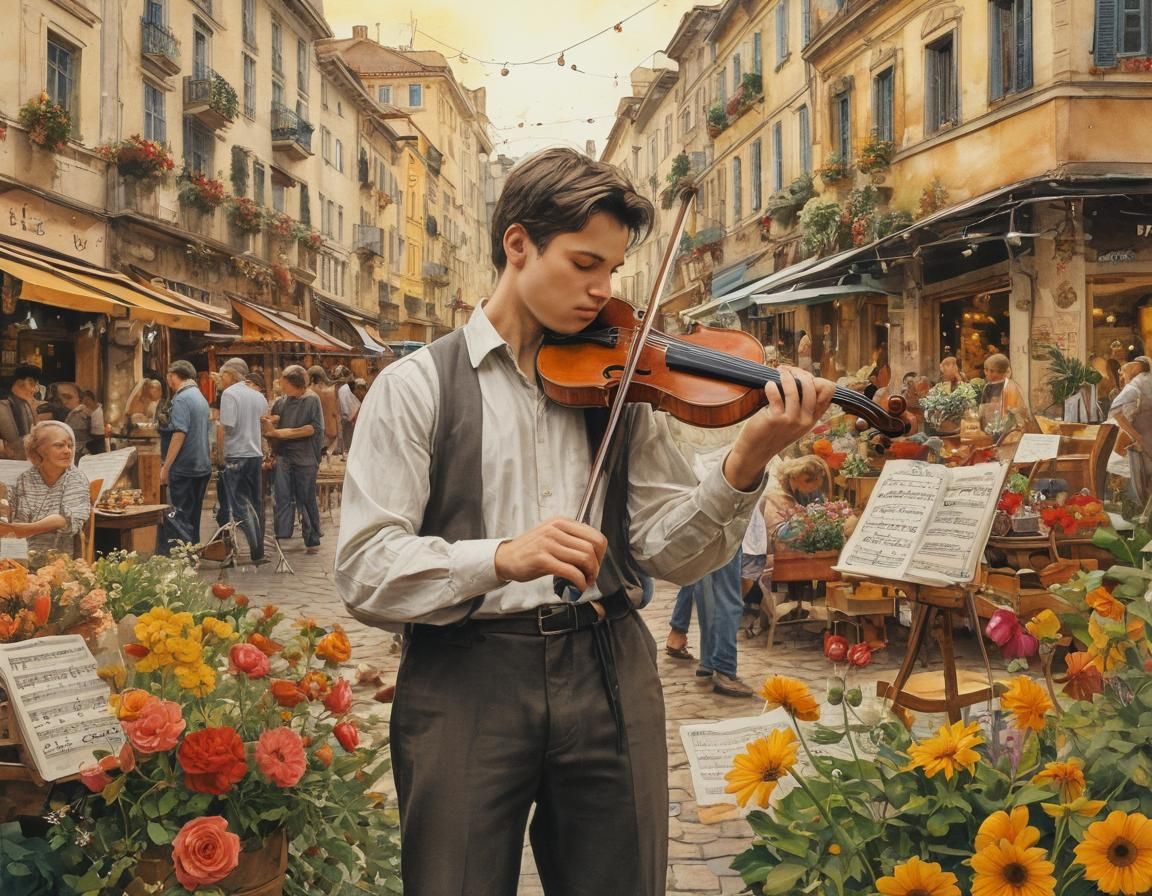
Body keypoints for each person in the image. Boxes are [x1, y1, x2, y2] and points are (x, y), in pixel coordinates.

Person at [335, 146, 834, 896]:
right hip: (465, 677)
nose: (602, 291)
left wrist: (745, 461)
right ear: (517, 245)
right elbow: (365, 568)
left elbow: (670, 552)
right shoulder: (414, 388)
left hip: (609, 668)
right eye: (583, 264)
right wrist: (500, 556)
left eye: (613, 271)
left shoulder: (625, 380)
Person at [2, 420, 91, 559]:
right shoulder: (26, 479)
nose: (67, 451)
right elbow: (17, 516)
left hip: (60, 560)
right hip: (22, 556)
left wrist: (22, 529)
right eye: (59, 445)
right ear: (38, 450)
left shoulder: (76, 478)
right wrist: (6, 508)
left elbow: (66, 521)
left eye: (70, 445)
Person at [263, 365, 323, 554]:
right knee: (282, 496)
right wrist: (271, 422)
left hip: (305, 457)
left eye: (285, 382)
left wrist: (281, 432)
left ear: (295, 383)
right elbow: (277, 418)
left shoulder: (312, 400)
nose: (282, 385)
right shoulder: (282, 401)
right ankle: (282, 534)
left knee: (305, 498)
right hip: (285, 457)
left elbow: (311, 428)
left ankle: (311, 537)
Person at [216, 357, 267, 564]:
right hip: (255, 454)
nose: (220, 379)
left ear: (230, 374)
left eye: (222, 375)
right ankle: (259, 549)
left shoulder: (229, 394)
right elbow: (264, 422)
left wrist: (220, 456)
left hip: (236, 454)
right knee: (255, 503)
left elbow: (226, 425)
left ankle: (256, 551)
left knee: (238, 505)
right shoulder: (257, 396)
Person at [158, 360, 211, 554]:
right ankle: (193, 553)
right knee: (193, 515)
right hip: (201, 465)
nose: (168, 381)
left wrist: (166, 467)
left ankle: (182, 558)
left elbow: (179, 433)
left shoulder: (181, 399)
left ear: (173, 375)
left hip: (184, 467)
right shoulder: (199, 396)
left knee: (178, 515)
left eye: (168, 377)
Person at [1107, 358, 1152, 506]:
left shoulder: (1134, 386)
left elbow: (1116, 412)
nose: (1121, 376)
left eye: (1122, 372)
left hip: (1132, 439)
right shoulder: (1143, 382)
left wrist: (1136, 436)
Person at [979, 353, 1036, 440]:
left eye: (991, 371)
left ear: (1001, 372)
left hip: (1009, 431)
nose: (987, 373)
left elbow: (1019, 410)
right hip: (991, 429)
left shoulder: (1010, 386)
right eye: (986, 370)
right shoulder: (987, 387)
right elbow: (983, 408)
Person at [0, 365, 42, 459]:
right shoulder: (4, 404)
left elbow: (37, 431)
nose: (34, 390)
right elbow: (12, 438)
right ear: (20, 382)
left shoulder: (26, 403)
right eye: (32, 384)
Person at [307, 366, 341, 458]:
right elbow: (336, 413)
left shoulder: (308, 392)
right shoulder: (331, 391)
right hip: (331, 431)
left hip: (315, 433)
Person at [57, 383, 91, 459]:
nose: (64, 402)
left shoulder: (82, 414)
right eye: (60, 399)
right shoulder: (64, 413)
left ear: (79, 398)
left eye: (68, 397)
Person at [335, 366, 359, 454]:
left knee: (348, 439)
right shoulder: (344, 388)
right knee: (346, 439)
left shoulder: (344, 388)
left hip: (348, 417)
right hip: (347, 417)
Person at [79, 390, 106, 455]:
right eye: (84, 401)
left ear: (93, 399)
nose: (86, 402)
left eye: (88, 399)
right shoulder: (84, 412)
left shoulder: (102, 410)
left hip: (102, 437)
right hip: (91, 438)